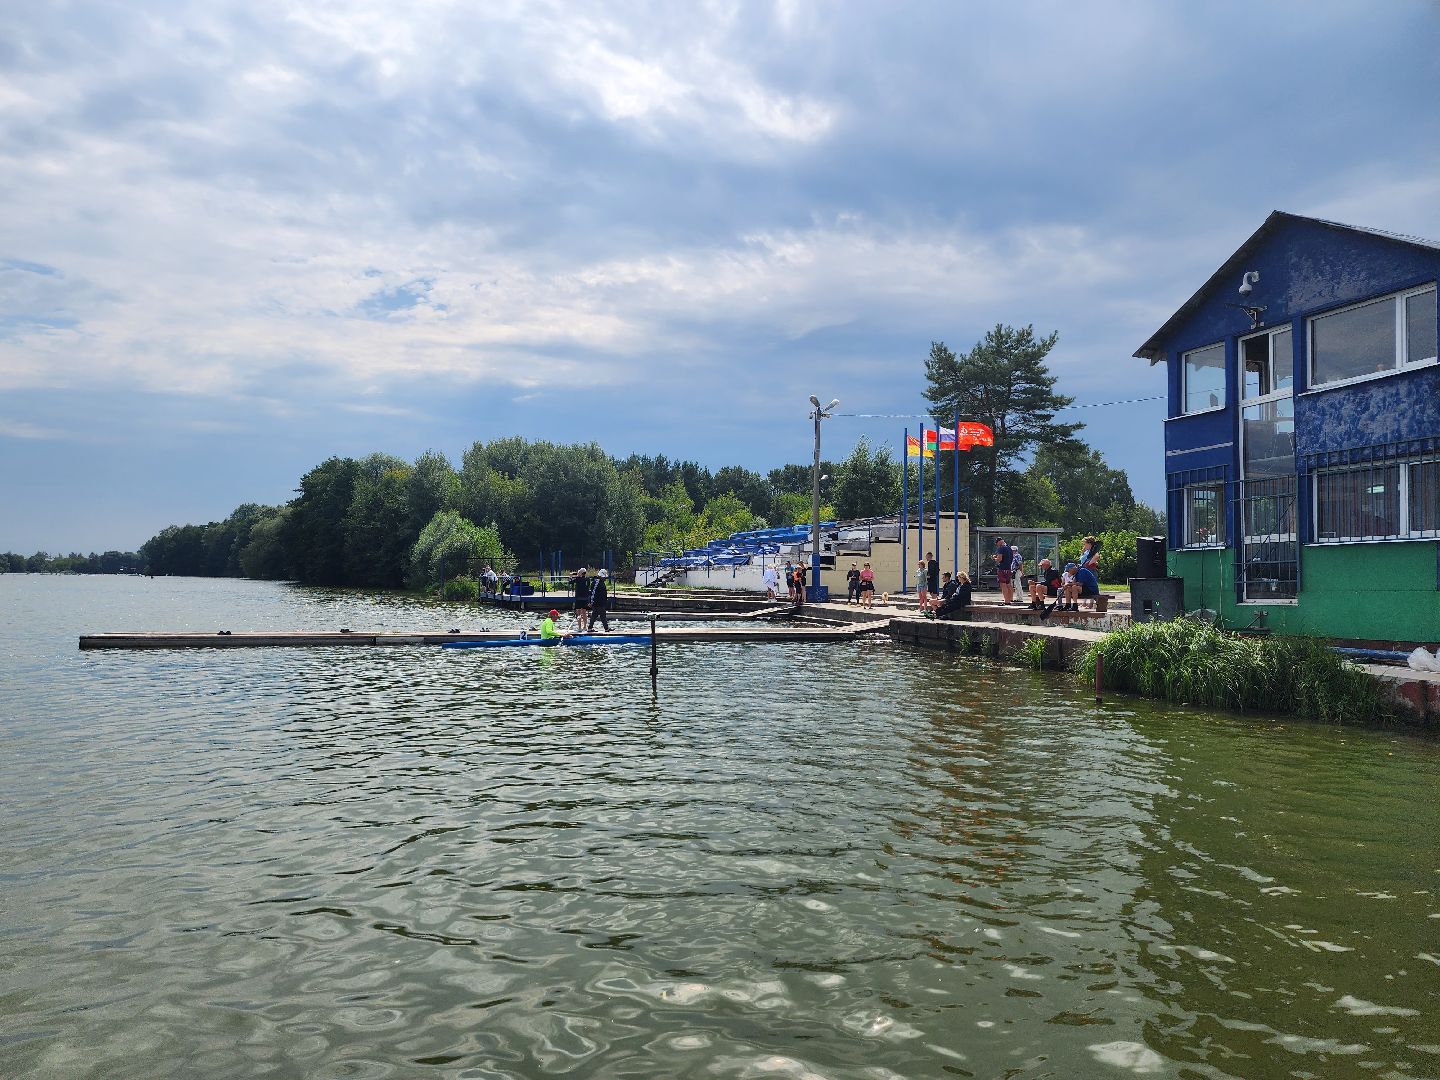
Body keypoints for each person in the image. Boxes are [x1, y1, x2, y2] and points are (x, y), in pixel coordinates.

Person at [994, 537, 1016, 604]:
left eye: (997, 544)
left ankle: (1006, 601)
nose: (997, 545)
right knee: (1008, 584)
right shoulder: (1009, 548)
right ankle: (1011, 598)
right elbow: (1011, 558)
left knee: (1003, 585)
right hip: (1008, 568)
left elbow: (1000, 559)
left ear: (999, 542)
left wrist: (995, 558)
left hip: (1002, 568)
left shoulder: (1001, 548)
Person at [571, 567, 590, 631]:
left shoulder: (577, 579)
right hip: (585, 598)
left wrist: (574, 576)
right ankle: (585, 626)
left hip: (578, 599)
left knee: (578, 613)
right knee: (584, 613)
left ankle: (579, 627)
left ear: (580, 573)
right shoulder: (587, 579)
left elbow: (570, 582)